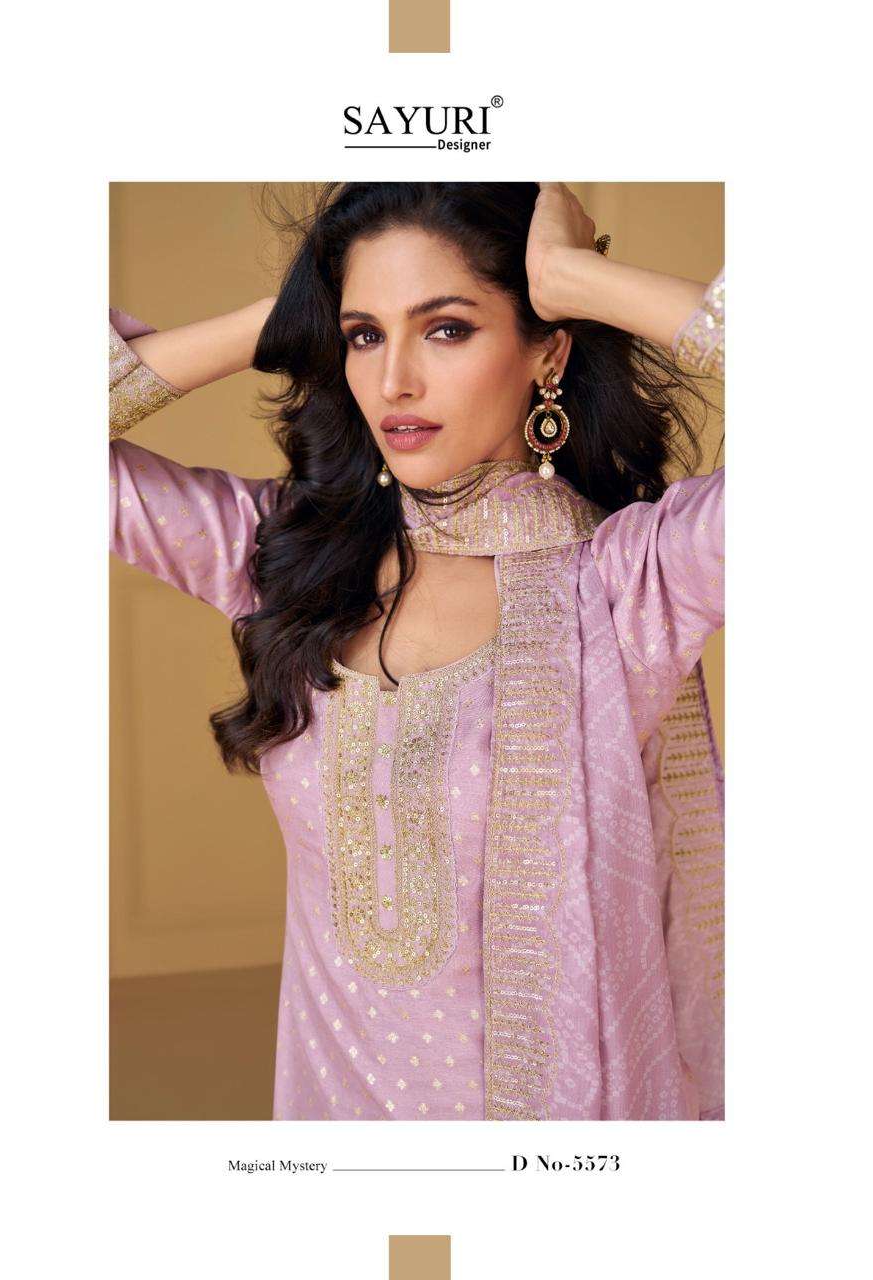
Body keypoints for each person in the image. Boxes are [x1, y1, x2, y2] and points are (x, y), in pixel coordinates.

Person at [110, 182, 724, 1121]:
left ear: (548, 348)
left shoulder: (630, 585)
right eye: (363, 335)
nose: (393, 381)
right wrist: (279, 320)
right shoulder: (285, 559)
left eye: (445, 330)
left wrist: (576, 277)